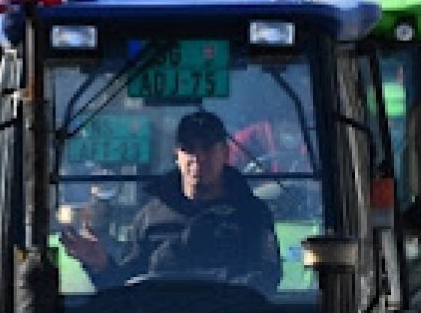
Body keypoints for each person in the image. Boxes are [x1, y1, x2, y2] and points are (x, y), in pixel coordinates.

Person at [61, 109, 282, 295]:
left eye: (207, 148)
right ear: (177, 155)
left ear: (225, 153)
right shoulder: (149, 217)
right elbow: (125, 288)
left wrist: (209, 304)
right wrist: (100, 265)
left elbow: (265, 279)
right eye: (189, 149)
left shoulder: (252, 214)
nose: (198, 158)